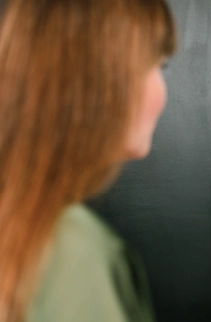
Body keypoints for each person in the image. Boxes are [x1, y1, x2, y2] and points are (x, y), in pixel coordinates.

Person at [0, 0, 176, 321]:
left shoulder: (27, 228)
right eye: (155, 65)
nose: (162, 91)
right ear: (98, 76)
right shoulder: (72, 253)